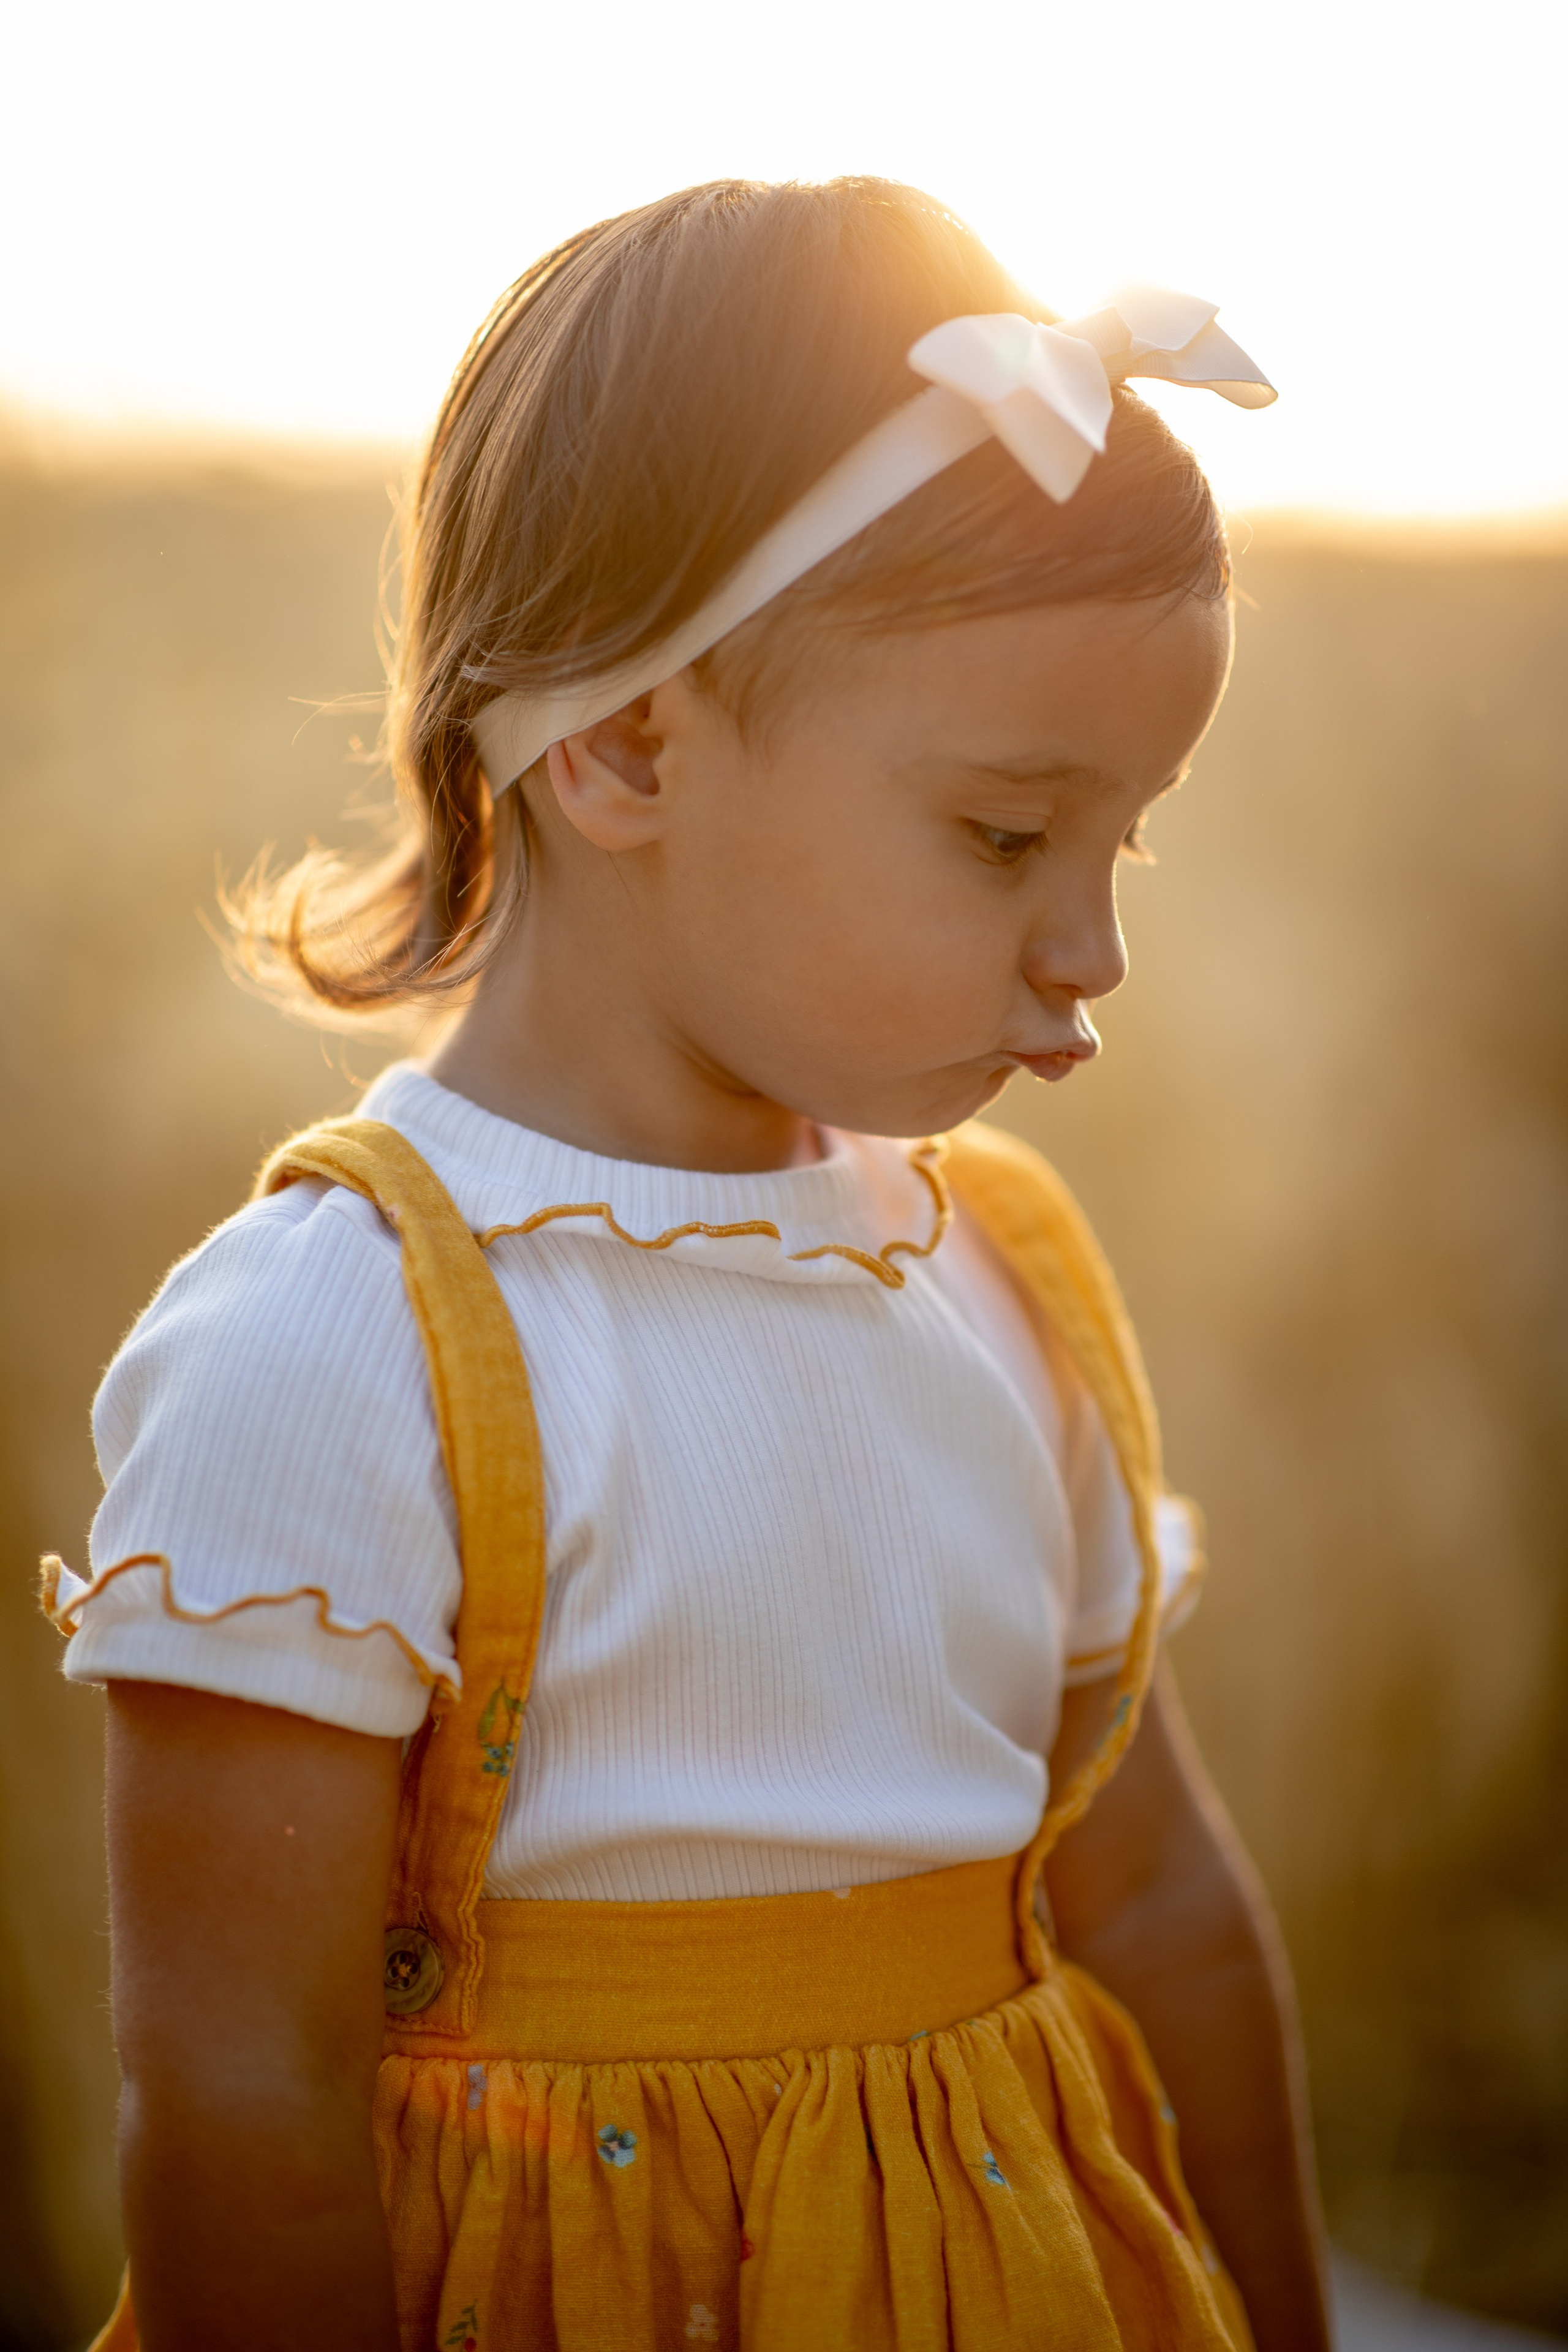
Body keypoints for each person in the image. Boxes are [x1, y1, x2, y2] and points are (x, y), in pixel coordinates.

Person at [43, 177, 1332, 2351]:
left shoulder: (997, 1272)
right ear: (625, 741)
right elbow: (240, 2098)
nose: (1093, 950)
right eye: (1009, 834)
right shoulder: (340, 1348)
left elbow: (1167, 1914)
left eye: (1129, 838)